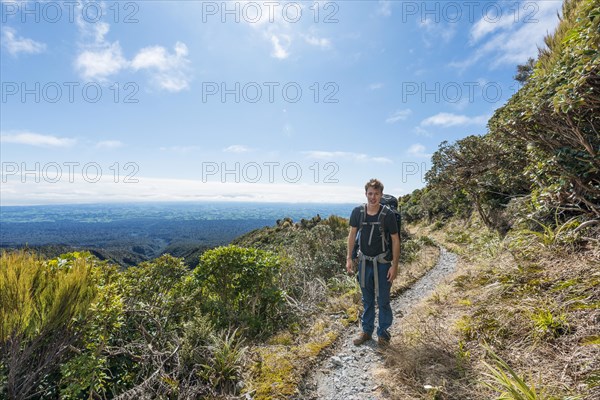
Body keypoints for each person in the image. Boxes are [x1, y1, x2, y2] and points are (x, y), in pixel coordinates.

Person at [346, 178, 400, 347]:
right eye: (370, 193)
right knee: (367, 299)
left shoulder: (388, 215)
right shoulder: (358, 212)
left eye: (376, 194)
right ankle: (366, 331)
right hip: (364, 262)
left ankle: (383, 334)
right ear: (366, 194)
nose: (373, 197)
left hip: (383, 262)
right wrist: (349, 257)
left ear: (381, 195)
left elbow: (395, 240)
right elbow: (352, 235)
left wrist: (394, 265)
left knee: (383, 299)